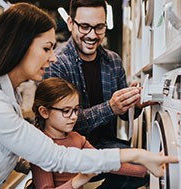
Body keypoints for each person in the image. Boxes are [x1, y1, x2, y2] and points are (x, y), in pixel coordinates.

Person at [0, 3, 177, 188]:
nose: (52, 57)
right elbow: (56, 155)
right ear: (19, 46)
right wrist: (137, 156)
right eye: (47, 48)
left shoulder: (6, 93)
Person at [44, 0, 156, 188]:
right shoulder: (57, 64)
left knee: (145, 169)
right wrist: (110, 107)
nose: (92, 35)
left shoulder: (113, 61)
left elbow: (124, 116)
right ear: (71, 23)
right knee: (140, 167)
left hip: (105, 143)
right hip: (69, 148)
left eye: (99, 27)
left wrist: (134, 105)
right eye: (85, 26)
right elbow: (60, 123)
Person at [31, 77, 151, 189]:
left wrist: (147, 170)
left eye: (76, 110)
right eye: (66, 111)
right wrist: (78, 180)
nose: (74, 117)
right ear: (44, 112)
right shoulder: (39, 147)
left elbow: (107, 163)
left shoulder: (77, 139)